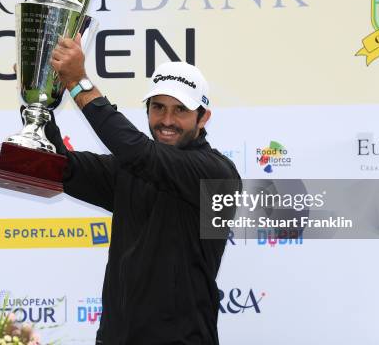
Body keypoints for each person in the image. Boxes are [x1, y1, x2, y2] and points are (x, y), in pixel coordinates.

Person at [47, 34, 240, 345]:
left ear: (203, 117)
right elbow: (58, 166)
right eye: (158, 107)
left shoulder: (216, 174)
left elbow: (138, 152)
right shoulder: (131, 168)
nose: (166, 120)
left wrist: (79, 82)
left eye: (181, 110)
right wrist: (42, 101)